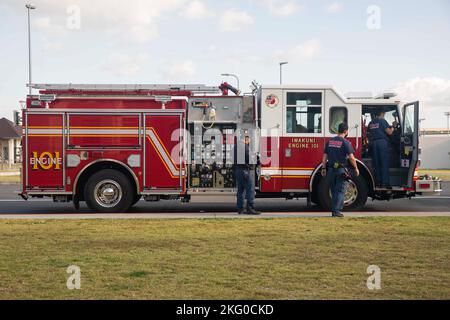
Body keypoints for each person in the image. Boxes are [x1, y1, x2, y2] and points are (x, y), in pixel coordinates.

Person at [321, 123, 359, 218]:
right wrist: (356, 168)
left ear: (338, 130)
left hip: (330, 170)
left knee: (334, 191)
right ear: (346, 131)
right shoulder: (346, 143)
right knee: (341, 191)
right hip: (341, 170)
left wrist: (323, 168)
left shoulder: (329, 142)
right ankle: (336, 212)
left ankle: (335, 210)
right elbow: (351, 158)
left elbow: (325, 156)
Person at [368, 109, 395, 189]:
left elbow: (369, 133)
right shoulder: (382, 121)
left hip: (373, 144)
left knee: (377, 164)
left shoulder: (371, 123)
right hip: (382, 143)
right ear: (382, 113)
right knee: (384, 163)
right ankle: (385, 183)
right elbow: (389, 132)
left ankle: (378, 182)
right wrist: (393, 126)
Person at [234, 135, 260, 215]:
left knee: (240, 191)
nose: (249, 142)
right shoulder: (245, 147)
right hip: (245, 171)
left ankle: (240, 209)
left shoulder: (235, 147)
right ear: (246, 139)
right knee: (250, 190)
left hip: (238, 170)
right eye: (249, 140)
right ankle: (250, 208)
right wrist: (255, 159)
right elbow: (249, 159)